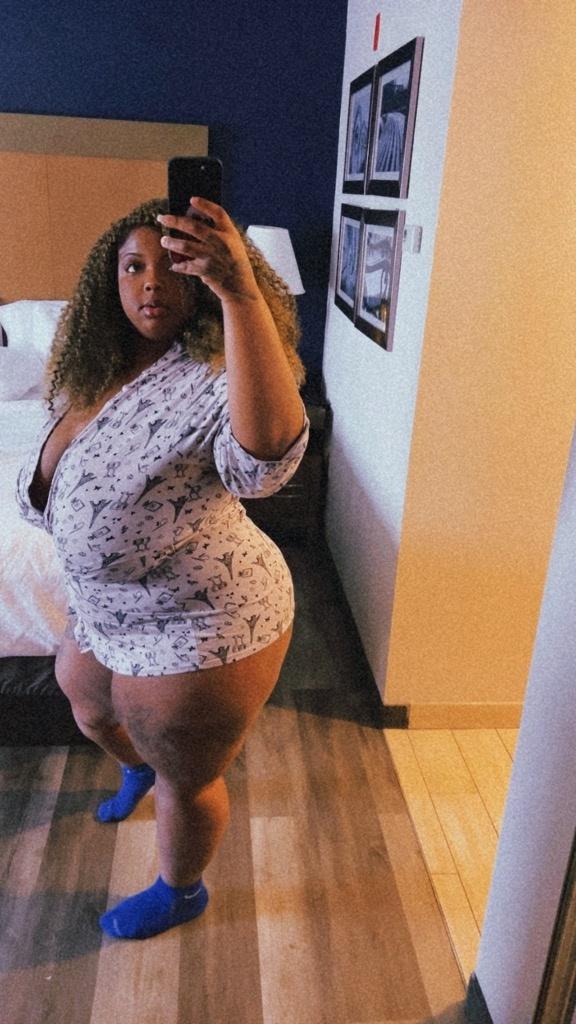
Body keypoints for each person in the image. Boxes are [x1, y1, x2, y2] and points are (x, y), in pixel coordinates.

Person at [16, 195, 309, 940]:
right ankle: (138, 768)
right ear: (107, 280)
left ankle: (182, 890)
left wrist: (240, 295)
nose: (151, 281)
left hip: (203, 615)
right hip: (109, 606)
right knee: (88, 705)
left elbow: (264, 460)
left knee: (187, 770)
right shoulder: (94, 372)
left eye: (173, 265)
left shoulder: (218, 370)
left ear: (203, 277)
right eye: (132, 265)